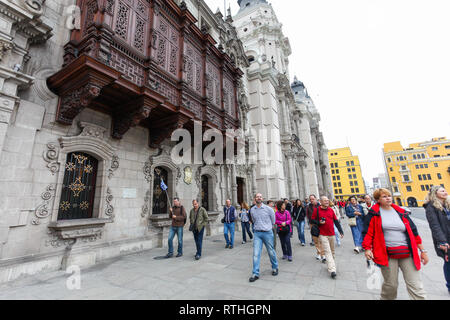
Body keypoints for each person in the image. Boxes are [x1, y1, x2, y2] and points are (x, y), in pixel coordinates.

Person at [363, 188, 428, 300]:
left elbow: (414, 232)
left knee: (416, 285)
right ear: (378, 199)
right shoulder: (374, 214)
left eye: (389, 195)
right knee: (391, 285)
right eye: (384, 196)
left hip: (407, 253)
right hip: (387, 254)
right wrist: (367, 248)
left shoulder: (401, 212)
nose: (388, 198)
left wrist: (422, 251)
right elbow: (368, 233)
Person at [424, 186, 450, 294]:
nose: (445, 192)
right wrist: (442, 242)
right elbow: (435, 226)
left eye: (445, 190)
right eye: (442, 191)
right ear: (435, 193)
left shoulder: (447, 205)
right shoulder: (431, 207)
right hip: (444, 239)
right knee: (448, 262)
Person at [311, 196, 344, 279]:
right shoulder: (317, 210)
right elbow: (312, 220)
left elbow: (336, 221)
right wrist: (319, 222)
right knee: (327, 251)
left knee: (332, 251)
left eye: (327, 200)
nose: (327, 202)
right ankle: (332, 270)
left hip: (332, 234)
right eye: (325, 201)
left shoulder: (331, 210)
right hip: (322, 234)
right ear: (321, 202)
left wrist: (341, 231)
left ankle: (330, 263)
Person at [249, 193, 279, 282]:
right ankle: (255, 273)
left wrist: (268, 227)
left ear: (262, 198)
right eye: (257, 197)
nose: (259, 198)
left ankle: (275, 267)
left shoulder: (269, 209)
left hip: (267, 233)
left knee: (271, 251)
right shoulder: (252, 210)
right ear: (255, 199)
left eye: (260, 197)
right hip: (257, 233)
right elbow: (253, 220)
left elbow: (273, 221)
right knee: (256, 254)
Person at [306, 195, 323, 260]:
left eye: (313, 199)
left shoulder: (320, 205)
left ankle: (323, 254)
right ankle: (318, 253)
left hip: (320, 224)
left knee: (321, 239)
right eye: (310, 199)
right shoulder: (308, 206)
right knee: (315, 240)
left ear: (316, 199)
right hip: (312, 224)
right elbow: (307, 215)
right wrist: (310, 222)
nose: (311, 200)